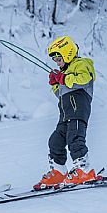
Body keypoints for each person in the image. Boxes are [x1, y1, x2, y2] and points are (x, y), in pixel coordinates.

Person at [33, 36, 97, 191]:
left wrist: (63, 78)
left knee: (75, 139)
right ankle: (59, 171)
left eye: (58, 58)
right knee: (55, 141)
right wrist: (55, 84)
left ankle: (85, 171)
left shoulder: (82, 64)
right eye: (54, 59)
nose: (57, 62)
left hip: (78, 112)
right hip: (65, 115)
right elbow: (61, 93)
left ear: (67, 53)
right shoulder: (65, 72)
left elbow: (84, 79)